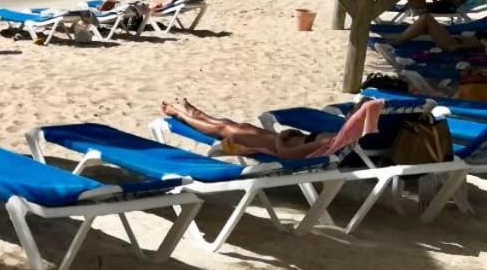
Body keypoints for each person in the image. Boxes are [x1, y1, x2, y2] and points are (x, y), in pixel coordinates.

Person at [160, 98, 381, 159]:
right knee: (236, 125)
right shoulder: (341, 137)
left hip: (272, 146)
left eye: (353, 111)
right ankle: (197, 114)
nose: (349, 112)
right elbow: (304, 145)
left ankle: (179, 114)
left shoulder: (328, 141)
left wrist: (280, 140)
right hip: (278, 139)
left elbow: (286, 155)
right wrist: (292, 134)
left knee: (224, 128)